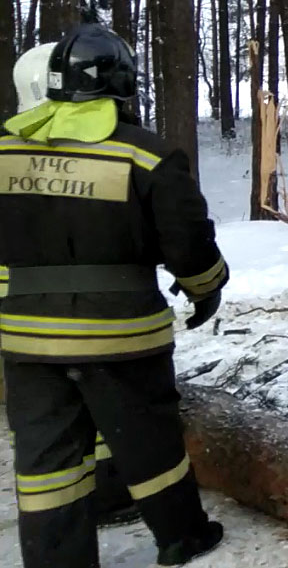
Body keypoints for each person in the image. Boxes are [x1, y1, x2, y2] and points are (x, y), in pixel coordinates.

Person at [1, 24, 227, 567]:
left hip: (27, 342)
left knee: (46, 461)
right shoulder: (146, 155)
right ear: (122, 85)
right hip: (120, 336)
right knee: (146, 436)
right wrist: (205, 288)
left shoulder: (5, 151)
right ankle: (181, 537)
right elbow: (188, 240)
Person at [5, 43, 141, 531]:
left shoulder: (15, 152)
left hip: (24, 330)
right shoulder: (113, 154)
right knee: (95, 410)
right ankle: (108, 493)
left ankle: (72, 526)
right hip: (79, 325)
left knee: (51, 435)